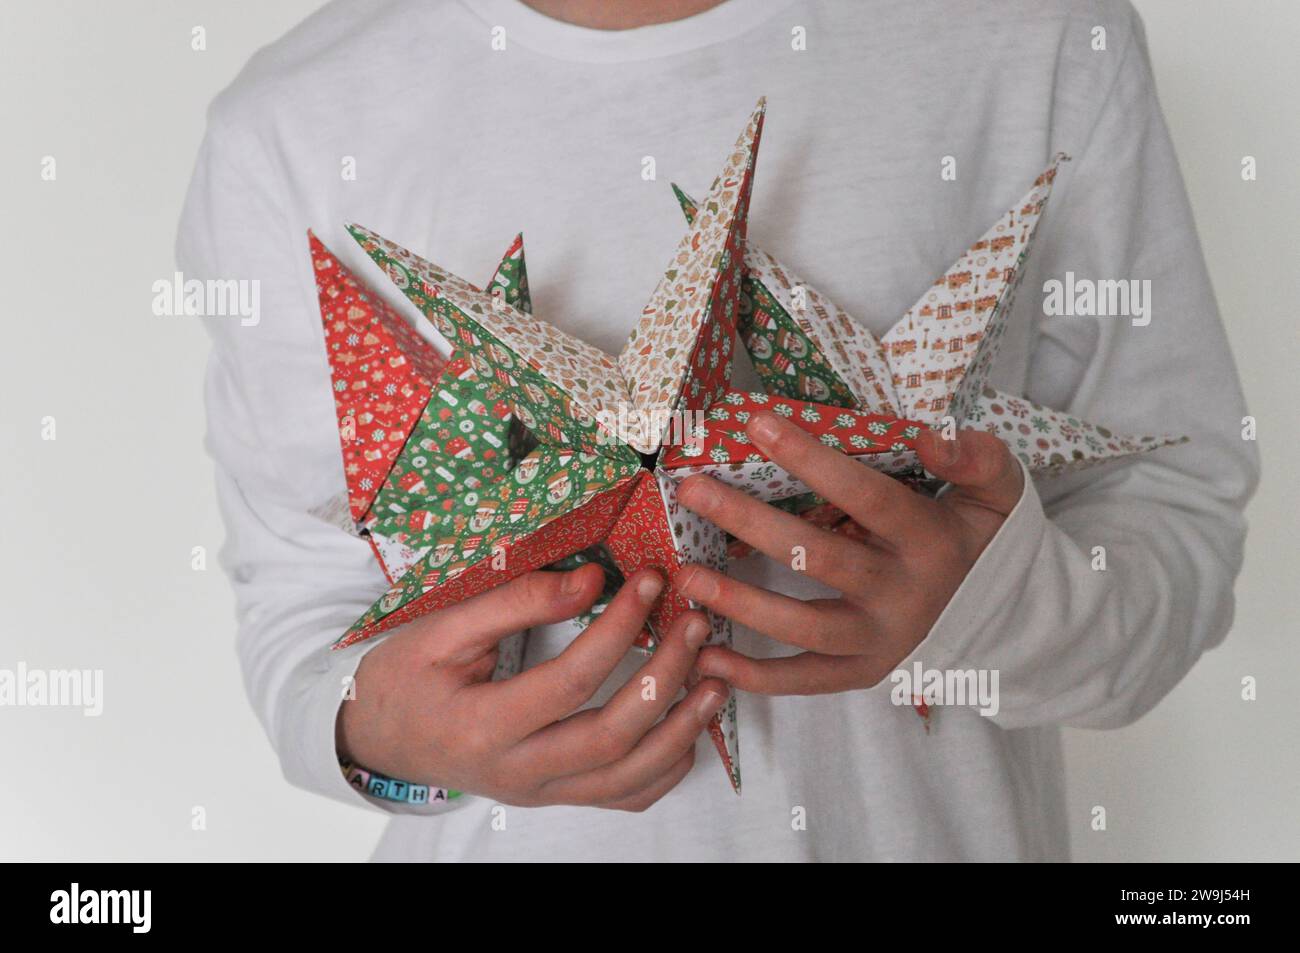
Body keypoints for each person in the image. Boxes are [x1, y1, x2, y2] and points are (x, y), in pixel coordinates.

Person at [177, 0, 1258, 861]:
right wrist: (387, 741)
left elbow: (1172, 506)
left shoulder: (1042, 34)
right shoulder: (292, 120)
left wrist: (983, 609)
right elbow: (299, 606)